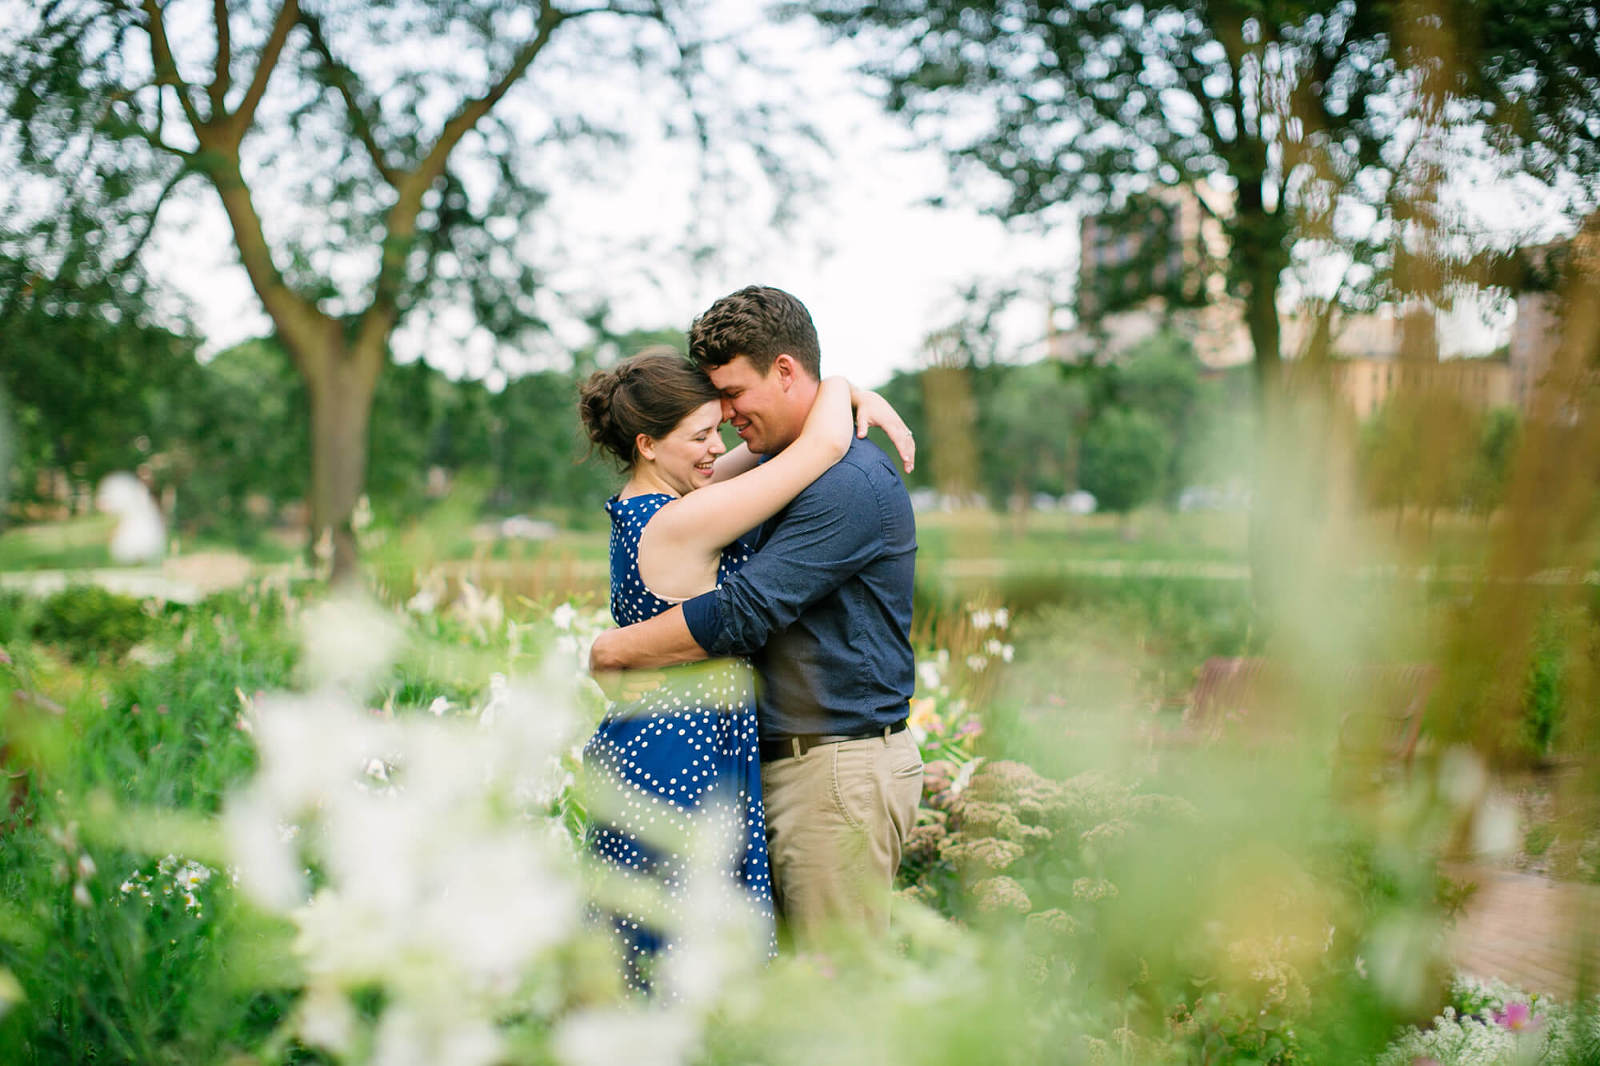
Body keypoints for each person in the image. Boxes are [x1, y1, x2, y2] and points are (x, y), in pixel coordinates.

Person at [590, 286, 922, 949]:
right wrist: (845, 391)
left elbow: (747, 610)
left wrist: (618, 649)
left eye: (732, 398)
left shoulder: (843, 482)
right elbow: (814, 443)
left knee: (828, 998)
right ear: (651, 445)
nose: (724, 424)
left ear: (787, 371)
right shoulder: (722, 493)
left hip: (830, 768)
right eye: (704, 425)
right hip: (718, 761)